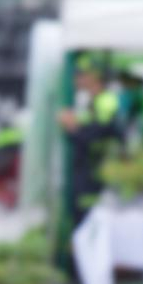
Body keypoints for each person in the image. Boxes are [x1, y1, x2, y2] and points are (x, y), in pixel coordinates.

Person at [57, 52, 121, 227]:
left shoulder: (105, 101)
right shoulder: (90, 102)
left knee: (89, 222)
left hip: (96, 175)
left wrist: (71, 127)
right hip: (86, 172)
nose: (77, 79)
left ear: (94, 76)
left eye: (81, 74)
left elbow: (94, 137)